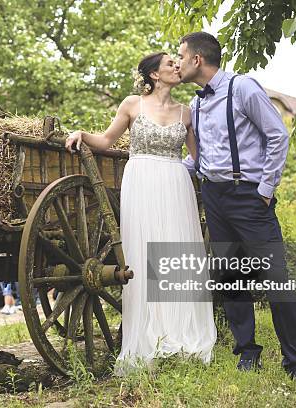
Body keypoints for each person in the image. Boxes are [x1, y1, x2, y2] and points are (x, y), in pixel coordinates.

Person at [176, 31, 296, 392]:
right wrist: (161, 169)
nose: (177, 61)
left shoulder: (243, 88)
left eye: (180, 55)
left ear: (197, 60)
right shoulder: (196, 105)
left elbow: (278, 135)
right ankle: (247, 350)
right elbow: (201, 159)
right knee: (230, 277)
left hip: (249, 197)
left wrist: (264, 190)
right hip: (214, 196)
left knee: (276, 278)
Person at [65, 52, 217, 376]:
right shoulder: (132, 105)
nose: (177, 67)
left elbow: (199, 157)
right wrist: (81, 134)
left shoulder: (187, 113)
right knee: (144, 254)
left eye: (177, 64)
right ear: (153, 75)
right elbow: (106, 140)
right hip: (141, 182)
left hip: (176, 183)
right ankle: (149, 335)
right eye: (170, 65)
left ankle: (180, 332)